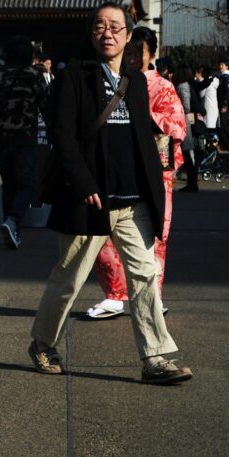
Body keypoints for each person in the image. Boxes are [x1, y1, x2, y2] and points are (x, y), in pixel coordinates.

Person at [29, 2, 192, 385]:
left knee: (145, 275)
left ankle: (155, 358)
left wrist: (154, 192)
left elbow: (142, 142)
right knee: (70, 277)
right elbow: (63, 136)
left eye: (116, 27)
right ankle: (43, 343)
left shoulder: (134, 81)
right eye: (100, 26)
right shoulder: (74, 76)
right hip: (91, 199)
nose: (108, 33)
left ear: (128, 35)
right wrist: (83, 182)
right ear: (91, 33)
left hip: (132, 200)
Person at [86, 33, 186, 319]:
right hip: (116, 165)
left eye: (136, 52)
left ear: (151, 54)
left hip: (153, 169)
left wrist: (143, 117)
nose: (130, 58)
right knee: (104, 230)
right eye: (127, 52)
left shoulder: (162, 87)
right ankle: (115, 293)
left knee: (154, 234)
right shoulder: (108, 80)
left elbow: (177, 126)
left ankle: (152, 295)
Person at [0, 35, 50, 250]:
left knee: (9, 185)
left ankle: (11, 227)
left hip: (2, 138)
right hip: (25, 136)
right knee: (27, 184)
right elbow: (47, 105)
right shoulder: (34, 76)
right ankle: (13, 221)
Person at [174, 65, 200, 193]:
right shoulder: (185, 85)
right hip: (185, 122)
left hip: (182, 122)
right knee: (186, 154)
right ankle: (192, 182)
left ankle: (192, 183)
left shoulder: (182, 86)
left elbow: (186, 106)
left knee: (186, 154)